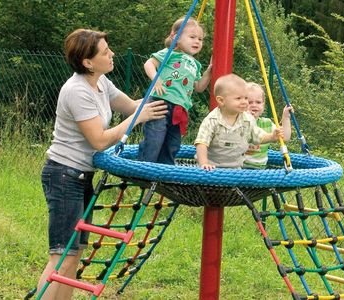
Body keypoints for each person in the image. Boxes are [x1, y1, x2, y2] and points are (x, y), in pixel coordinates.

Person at [36, 28, 168, 300]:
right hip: (63, 175)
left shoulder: (101, 83)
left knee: (75, 254)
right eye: (105, 52)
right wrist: (137, 119)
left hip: (81, 175)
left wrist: (168, 94)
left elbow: (132, 106)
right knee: (61, 256)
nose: (112, 54)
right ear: (87, 62)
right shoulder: (76, 91)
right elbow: (99, 140)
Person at [138, 16, 212, 165]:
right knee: (154, 138)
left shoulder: (195, 64)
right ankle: (144, 167)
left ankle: (165, 171)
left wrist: (209, 72)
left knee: (173, 144)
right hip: (160, 102)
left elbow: (198, 87)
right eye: (192, 37)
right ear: (175, 37)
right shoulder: (170, 52)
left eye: (200, 39)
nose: (197, 41)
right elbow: (149, 64)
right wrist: (156, 78)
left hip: (179, 109)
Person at [194, 74, 283, 170]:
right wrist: (204, 163)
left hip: (235, 169)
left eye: (245, 98)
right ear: (221, 101)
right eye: (238, 98)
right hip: (210, 167)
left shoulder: (247, 119)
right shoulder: (212, 120)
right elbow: (202, 143)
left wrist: (271, 136)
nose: (244, 102)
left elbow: (258, 136)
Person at [243, 82, 292, 169]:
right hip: (240, 169)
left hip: (260, 169)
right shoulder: (239, 122)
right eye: (250, 102)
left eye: (258, 102)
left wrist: (285, 118)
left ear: (263, 104)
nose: (254, 105)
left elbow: (285, 137)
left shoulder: (267, 123)